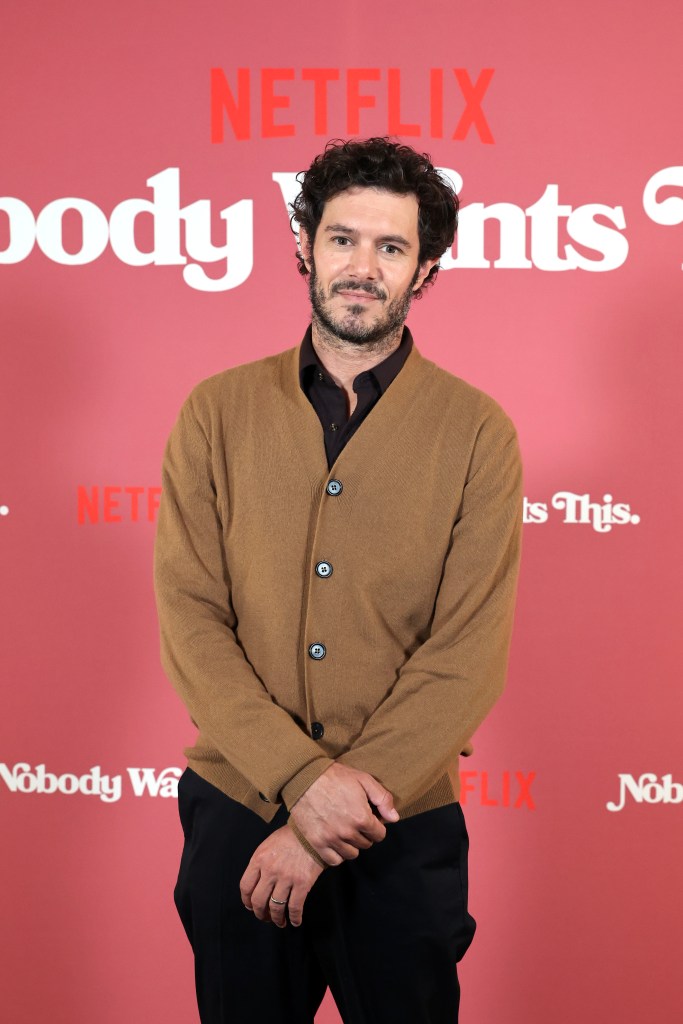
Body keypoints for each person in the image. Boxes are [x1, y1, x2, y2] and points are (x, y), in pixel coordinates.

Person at [153, 136, 523, 1024]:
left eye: (390, 248)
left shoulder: (478, 432)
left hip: (402, 825)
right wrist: (298, 781)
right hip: (238, 809)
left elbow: (465, 653)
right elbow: (193, 618)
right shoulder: (215, 412)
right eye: (343, 240)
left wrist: (328, 820)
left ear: (424, 268)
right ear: (304, 248)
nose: (363, 267)